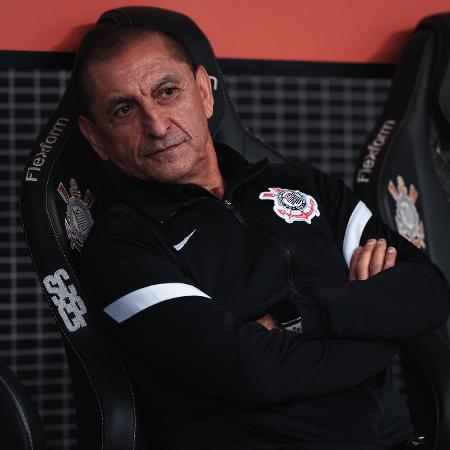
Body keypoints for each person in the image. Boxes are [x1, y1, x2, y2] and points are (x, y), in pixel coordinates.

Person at [76, 24, 450, 450]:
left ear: (203, 91)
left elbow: (429, 292)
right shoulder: (121, 246)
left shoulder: (307, 186)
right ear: (96, 138)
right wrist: (383, 330)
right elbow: (251, 371)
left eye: (167, 92)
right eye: (123, 110)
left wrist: (299, 318)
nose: (157, 125)